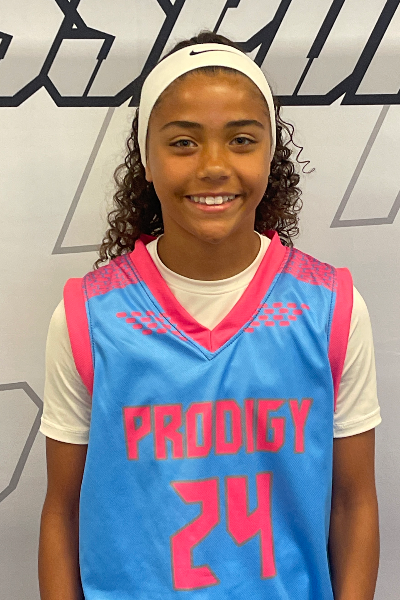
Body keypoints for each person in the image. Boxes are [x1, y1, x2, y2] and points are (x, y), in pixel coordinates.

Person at [38, 31, 381, 600]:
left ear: (270, 155)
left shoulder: (332, 309)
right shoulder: (88, 317)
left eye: (242, 140)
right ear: (148, 160)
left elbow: (353, 503)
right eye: (183, 143)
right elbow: (62, 512)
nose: (215, 166)